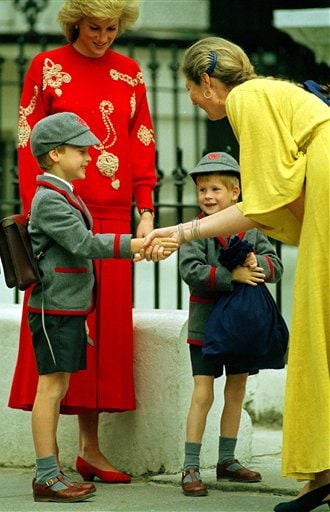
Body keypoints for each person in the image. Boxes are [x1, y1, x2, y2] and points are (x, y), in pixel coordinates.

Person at [143, 37, 330, 511]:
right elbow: (272, 201)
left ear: (207, 82)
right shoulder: (269, 92)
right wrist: (184, 232)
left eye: (190, 89)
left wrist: (181, 232)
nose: (190, 99)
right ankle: (321, 474)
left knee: (318, 335)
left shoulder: (245, 100)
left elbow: (261, 203)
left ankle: (322, 474)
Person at [9, 0, 157, 483]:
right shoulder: (45, 67)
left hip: (113, 215)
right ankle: (52, 460)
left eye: (112, 28)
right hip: (61, 218)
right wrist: (37, 212)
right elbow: (28, 138)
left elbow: (142, 140)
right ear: (76, 22)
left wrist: (146, 209)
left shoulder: (131, 73)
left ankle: (91, 450)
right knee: (64, 326)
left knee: (103, 338)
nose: (103, 37)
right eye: (95, 27)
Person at [27, 112, 175, 502]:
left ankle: (51, 473)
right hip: (55, 310)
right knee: (51, 388)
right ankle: (46, 475)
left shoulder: (62, 194)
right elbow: (84, 243)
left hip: (67, 308)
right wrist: (137, 246)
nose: (90, 157)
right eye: (80, 150)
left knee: (57, 387)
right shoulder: (50, 200)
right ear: (55, 154)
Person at [179, 151, 284, 497]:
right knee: (203, 393)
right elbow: (190, 271)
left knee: (236, 391)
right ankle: (190, 465)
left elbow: (275, 266)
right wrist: (230, 275)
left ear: (236, 192)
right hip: (205, 326)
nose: (207, 196)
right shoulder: (193, 231)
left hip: (242, 327)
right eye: (202, 190)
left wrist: (257, 267)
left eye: (215, 190)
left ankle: (227, 459)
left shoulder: (252, 227)